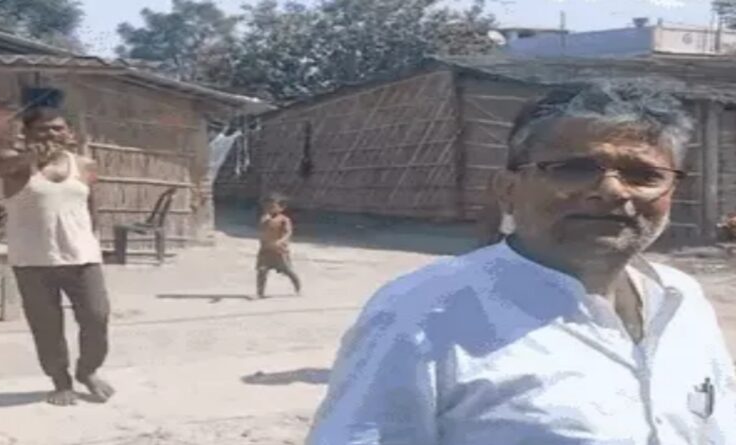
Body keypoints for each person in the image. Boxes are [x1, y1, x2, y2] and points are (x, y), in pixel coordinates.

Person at [306, 83, 736, 444]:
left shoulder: (680, 300)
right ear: (508, 190)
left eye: (643, 175)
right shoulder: (423, 313)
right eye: (573, 169)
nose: (611, 191)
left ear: (671, 192)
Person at [0, 107, 114, 406]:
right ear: (27, 133)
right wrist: (30, 157)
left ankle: (87, 370)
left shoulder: (84, 165)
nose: (51, 134)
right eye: (43, 129)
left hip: (82, 257)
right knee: (46, 326)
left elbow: (92, 209)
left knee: (97, 316)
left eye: (58, 128)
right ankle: (60, 381)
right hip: (32, 259)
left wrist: (90, 243)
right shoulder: (14, 164)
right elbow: (3, 167)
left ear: (69, 133)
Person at [256, 194, 302, 299]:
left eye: (272, 207)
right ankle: (260, 293)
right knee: (262, 271)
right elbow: (262, 230)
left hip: (279, 251)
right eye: (267, 207)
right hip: (265, 250)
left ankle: (297, 286)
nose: (269, 209)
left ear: (281, 208)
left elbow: (288, 233)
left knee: (287, 270)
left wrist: (281, 241)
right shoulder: (264, 219)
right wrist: (265, 221)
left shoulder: (284, 219)